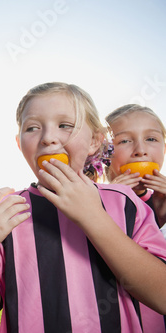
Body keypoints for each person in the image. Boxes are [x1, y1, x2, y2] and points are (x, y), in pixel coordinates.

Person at [0, 82, 166, 332]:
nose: (48, 138)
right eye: (33, 128)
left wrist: (92, 217)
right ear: (19, 144)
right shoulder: (8, 212)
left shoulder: (124, 201)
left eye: (65, 125)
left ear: (95, 141)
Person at [105, 104, 166, 333]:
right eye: (124, 141)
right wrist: (108, 199)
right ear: (104, 153)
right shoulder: (91, 199)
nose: (140, 150)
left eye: (151, 138)